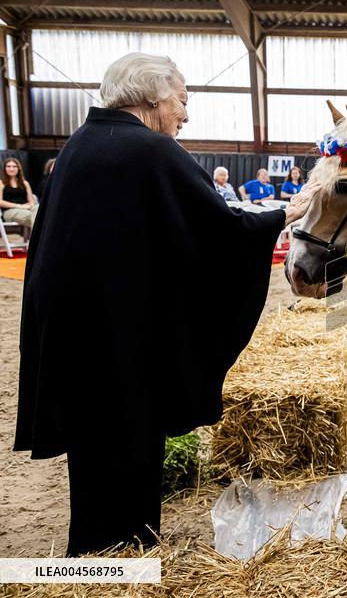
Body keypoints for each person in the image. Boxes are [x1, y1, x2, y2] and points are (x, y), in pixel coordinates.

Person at [13, 52, 316, 557]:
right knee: (130, 444)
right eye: (182, 99)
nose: (186, 113)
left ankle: (94, 551)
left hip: (75, 330)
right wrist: (285, 214)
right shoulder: (151, 151)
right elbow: (217, 233)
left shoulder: (81, 145)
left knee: (93, 453)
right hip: (122, 339)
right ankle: (120, 558)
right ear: (153, 95)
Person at [1, 157, 39, 230]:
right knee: (36, 217)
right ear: (5, 168)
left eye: (14, 166)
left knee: (38, 207)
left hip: (26, 208)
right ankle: (39, 240)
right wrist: (19, 206)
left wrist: (27, 205)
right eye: (8, 166)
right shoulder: (1, 183)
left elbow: (31, 201)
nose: (11, 169)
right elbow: (0, 201)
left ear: (19, 168)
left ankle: (36, 239)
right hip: (9, 211)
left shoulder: (25, 183)